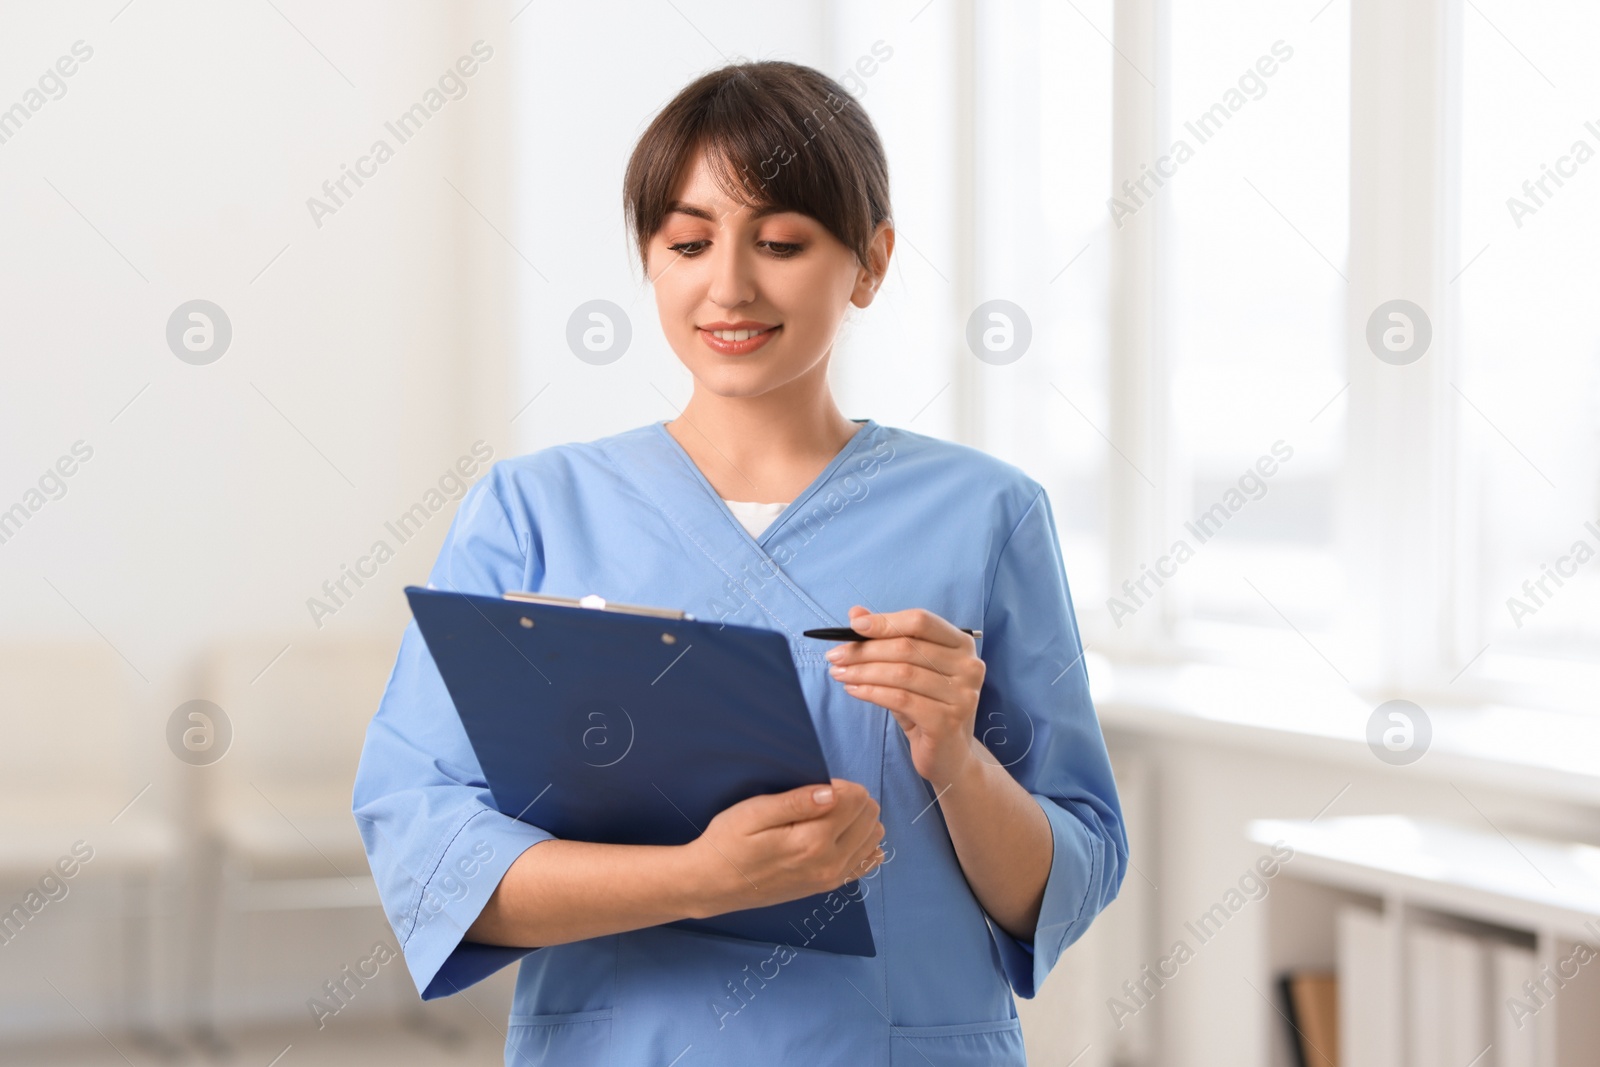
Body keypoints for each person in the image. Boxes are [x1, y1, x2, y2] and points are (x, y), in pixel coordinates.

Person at [353, 59, 1126, 1065]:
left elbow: (1065, 878)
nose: (728, 285)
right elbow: (426, 844)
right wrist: (699, 877)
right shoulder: (532, 511)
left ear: (870, 261)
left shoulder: (986, 514)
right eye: (686, 241)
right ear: (650, 259)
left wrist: (958, 757)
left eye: (781, 241)